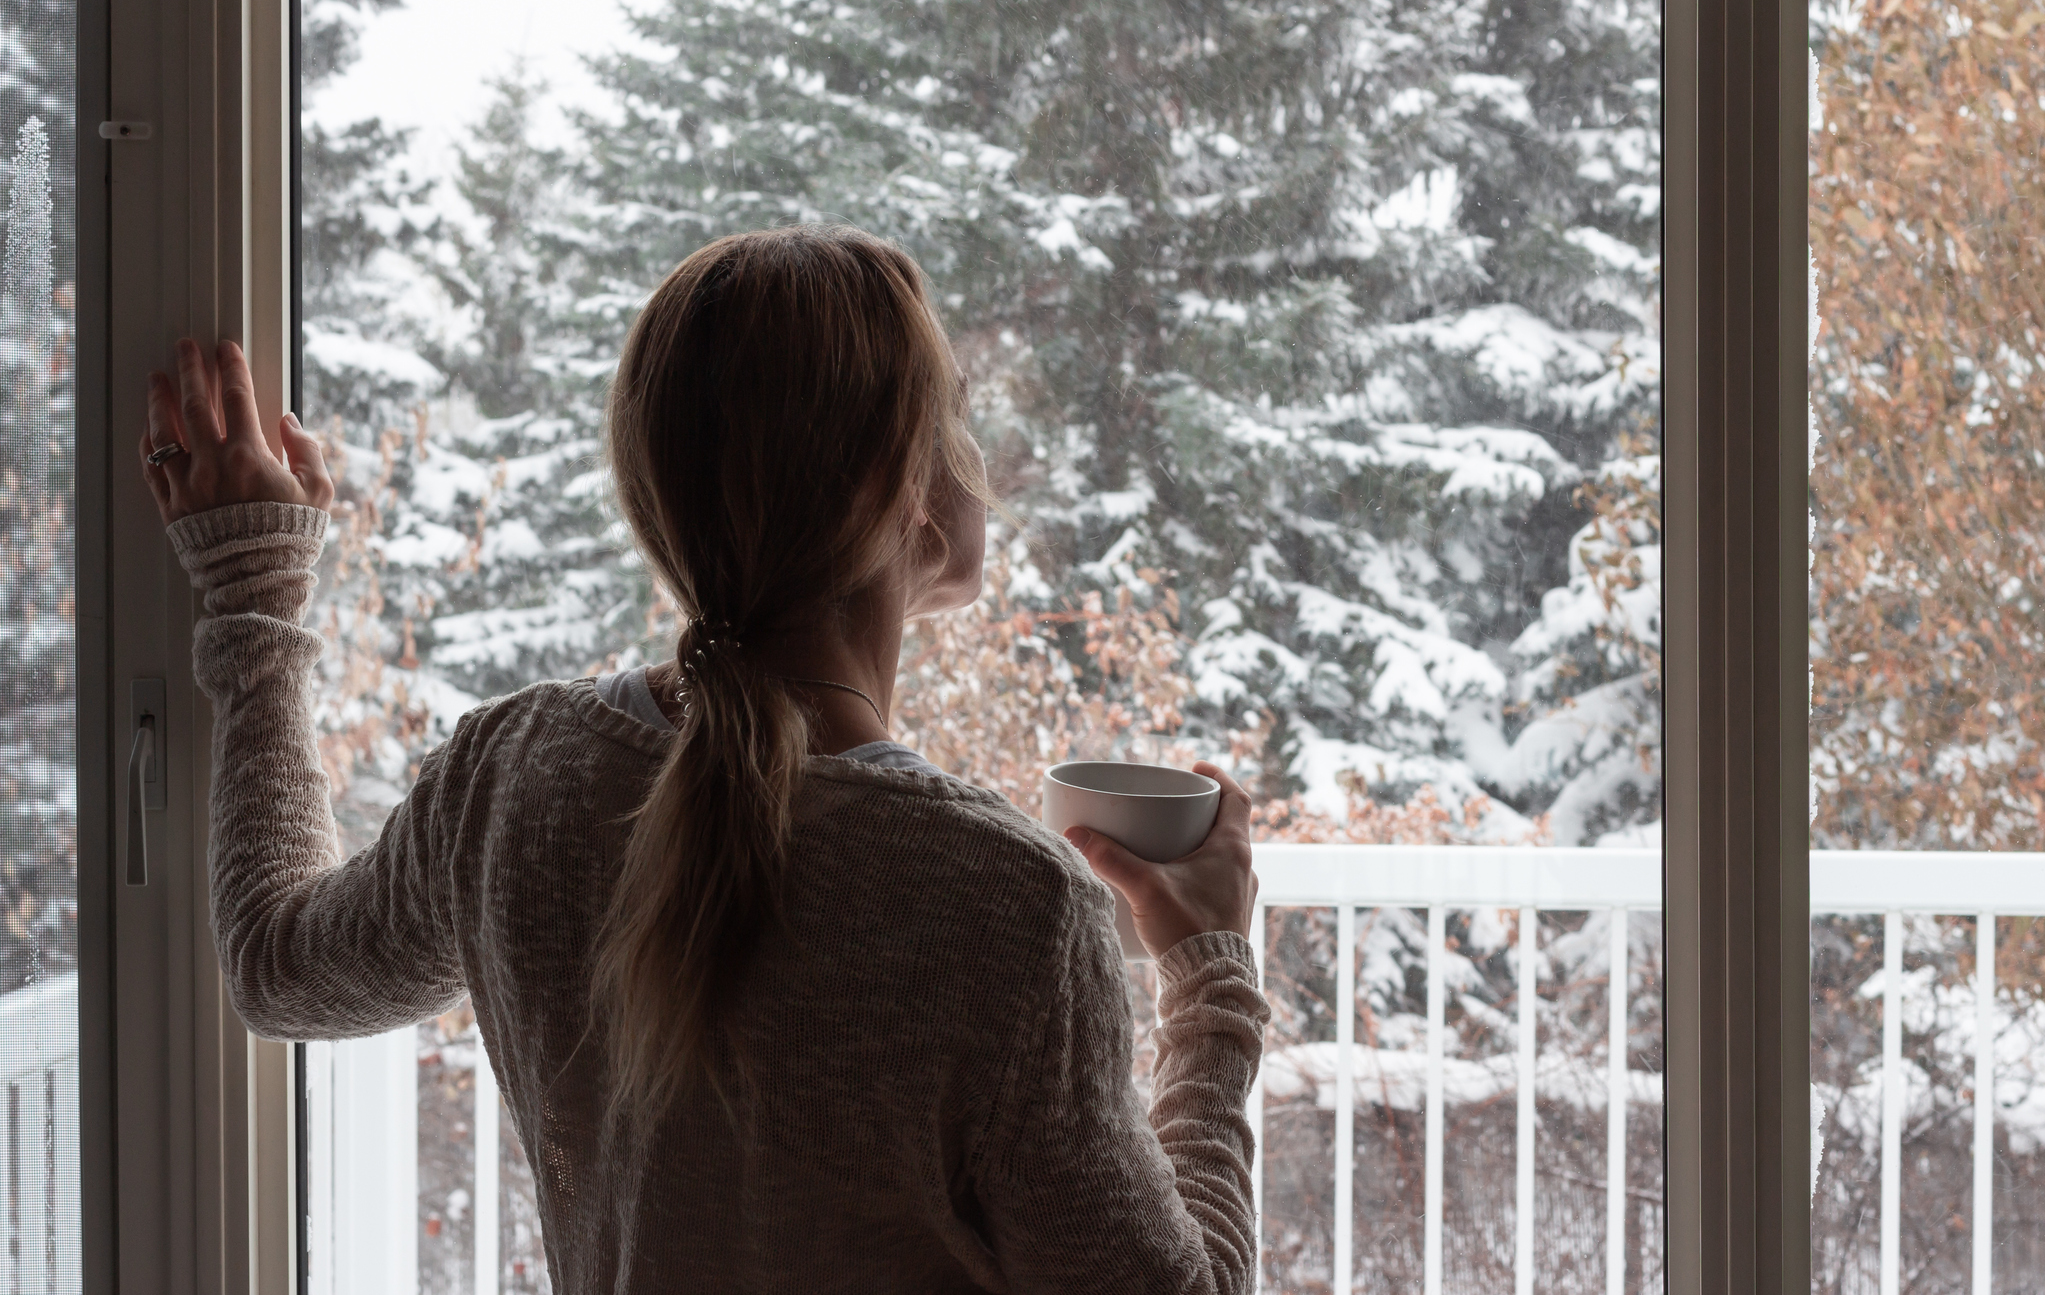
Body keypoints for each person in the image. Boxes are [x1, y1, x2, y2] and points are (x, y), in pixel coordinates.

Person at [139, 225, 1268, 1292]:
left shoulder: (514, 778)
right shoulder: (1010, 909)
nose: (983, 456)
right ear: (891, 488)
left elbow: (277, 963)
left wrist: (253, 589)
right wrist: (1212, 976)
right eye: (956, 414)